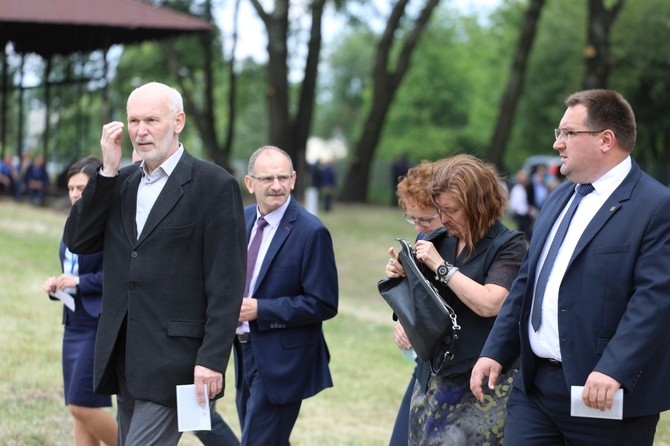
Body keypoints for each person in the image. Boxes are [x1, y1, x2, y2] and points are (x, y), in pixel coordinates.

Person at [470, 89, 670, 446]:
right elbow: (528, 281)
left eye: (567, 133)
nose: (557, 143)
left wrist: (614, 369)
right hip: (534, 391)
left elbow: (654, 300)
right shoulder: (560, 196)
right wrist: (495, 350)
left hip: (603, 395)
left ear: (605, 140)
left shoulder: (656, 206)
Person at [63, 82, 247, 445]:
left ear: (178, 121)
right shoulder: (120, 181)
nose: (141, 131)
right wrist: (107, 173)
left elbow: (226, 283)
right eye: (133, 120)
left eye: (151, 120)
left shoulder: (214, 186)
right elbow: (79, 240)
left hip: (176, 361)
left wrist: (212, 359)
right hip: (124, 355)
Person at [385, 154, 526, 445]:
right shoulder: (439, 239)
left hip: (479, 384)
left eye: (451, 210)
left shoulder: (508, 246)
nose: (444, 218)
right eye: (440, 209)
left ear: (478, 206)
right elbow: (423, 304)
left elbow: (490, 303)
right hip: (434, 377)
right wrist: (402, 276)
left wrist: (442, 267)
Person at [235, 145, 338, 445]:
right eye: (267, 179)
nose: (276, 186)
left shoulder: (311, 231)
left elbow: (323, 303)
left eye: (283, 177)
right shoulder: (241, 220)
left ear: (294, 179)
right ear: (250, 183)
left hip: (282, 361)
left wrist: (260, 309)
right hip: (242, 352)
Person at [42, 156, 118, 446]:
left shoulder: (109, 226)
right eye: (72, 188)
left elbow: (116, 276)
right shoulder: (73, 223)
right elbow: (71, 271)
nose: (75, 194)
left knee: (81, 405)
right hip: (72, 323)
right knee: (78, 408)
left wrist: (79, 282)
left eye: (82, 188)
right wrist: (57, 284)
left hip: (97, 324)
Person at [386, 160, 444, 446]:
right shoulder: (425, 236)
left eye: (425, 219)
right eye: (412, 219)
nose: (419, 227)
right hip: (423, 366)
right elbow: (420, 297)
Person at [509, 169, 535, 241]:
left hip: (526, 214)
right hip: (520, 214)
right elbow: (514, 202)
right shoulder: (517, 188)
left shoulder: (528, 188)